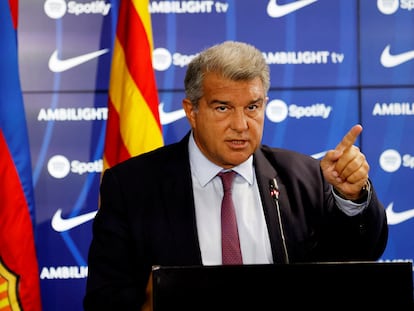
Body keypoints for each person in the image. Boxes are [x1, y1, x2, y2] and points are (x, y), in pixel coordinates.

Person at [83, 41, 388, 310]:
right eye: (223, 108)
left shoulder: (304, 176)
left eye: (252, 107)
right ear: (192, 111)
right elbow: (104, 297)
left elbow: (358, 259)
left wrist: (352, 198)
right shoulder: (133, 186)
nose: (241, 124)